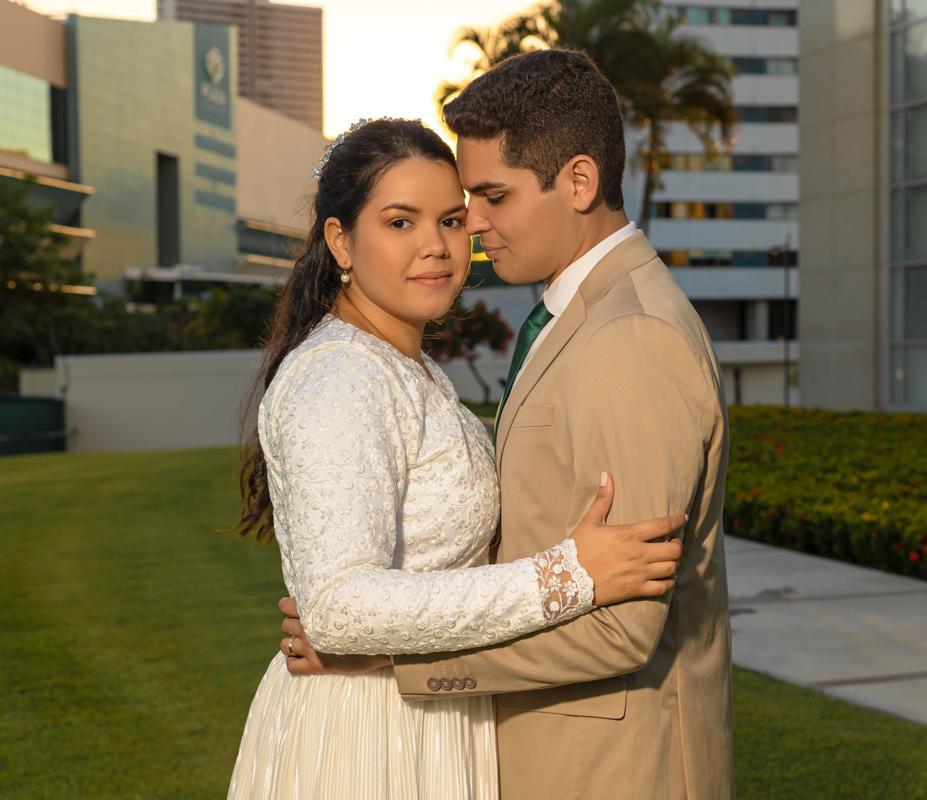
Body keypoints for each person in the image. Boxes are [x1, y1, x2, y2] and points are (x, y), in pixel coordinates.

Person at [282, 50, 734, 799]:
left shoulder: (632, 336)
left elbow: (623, 625)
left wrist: (395, 662)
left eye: (489, 198)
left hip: (611, 769)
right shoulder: (569, 319)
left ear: (580, 182)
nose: (472, 226)